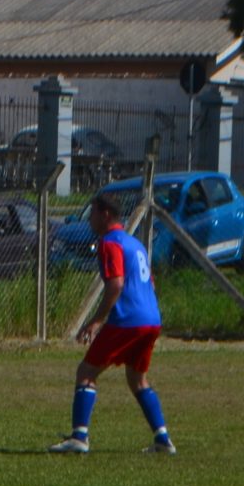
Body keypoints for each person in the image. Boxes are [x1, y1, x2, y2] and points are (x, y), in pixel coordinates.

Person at [51, 194, 174, 455]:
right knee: (137, 379)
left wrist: (97, 321)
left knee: (86, 372)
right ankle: (163, 440)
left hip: (128, 319)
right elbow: (150, 284)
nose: (90, 220)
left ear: (105, 214)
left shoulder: (109, 243)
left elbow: (116, 284)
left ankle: (79, 437)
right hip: (151, 319)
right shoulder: (135, 244)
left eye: (93, 213)